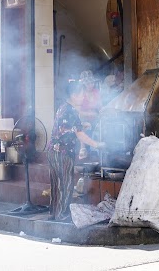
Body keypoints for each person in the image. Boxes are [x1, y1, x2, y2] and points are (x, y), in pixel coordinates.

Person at [47, 83, 106, 221]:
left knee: (56, 184)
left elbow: (68, 128)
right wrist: (97, 144)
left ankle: (53, 213)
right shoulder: (72, 111)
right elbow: (79, 134)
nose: (83, 97)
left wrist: (82, 126)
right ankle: (62, 215)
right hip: (63, 153)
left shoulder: (63, 107)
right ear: (74, 95)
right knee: (66, 184)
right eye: (81, 94)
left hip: (52, 151)